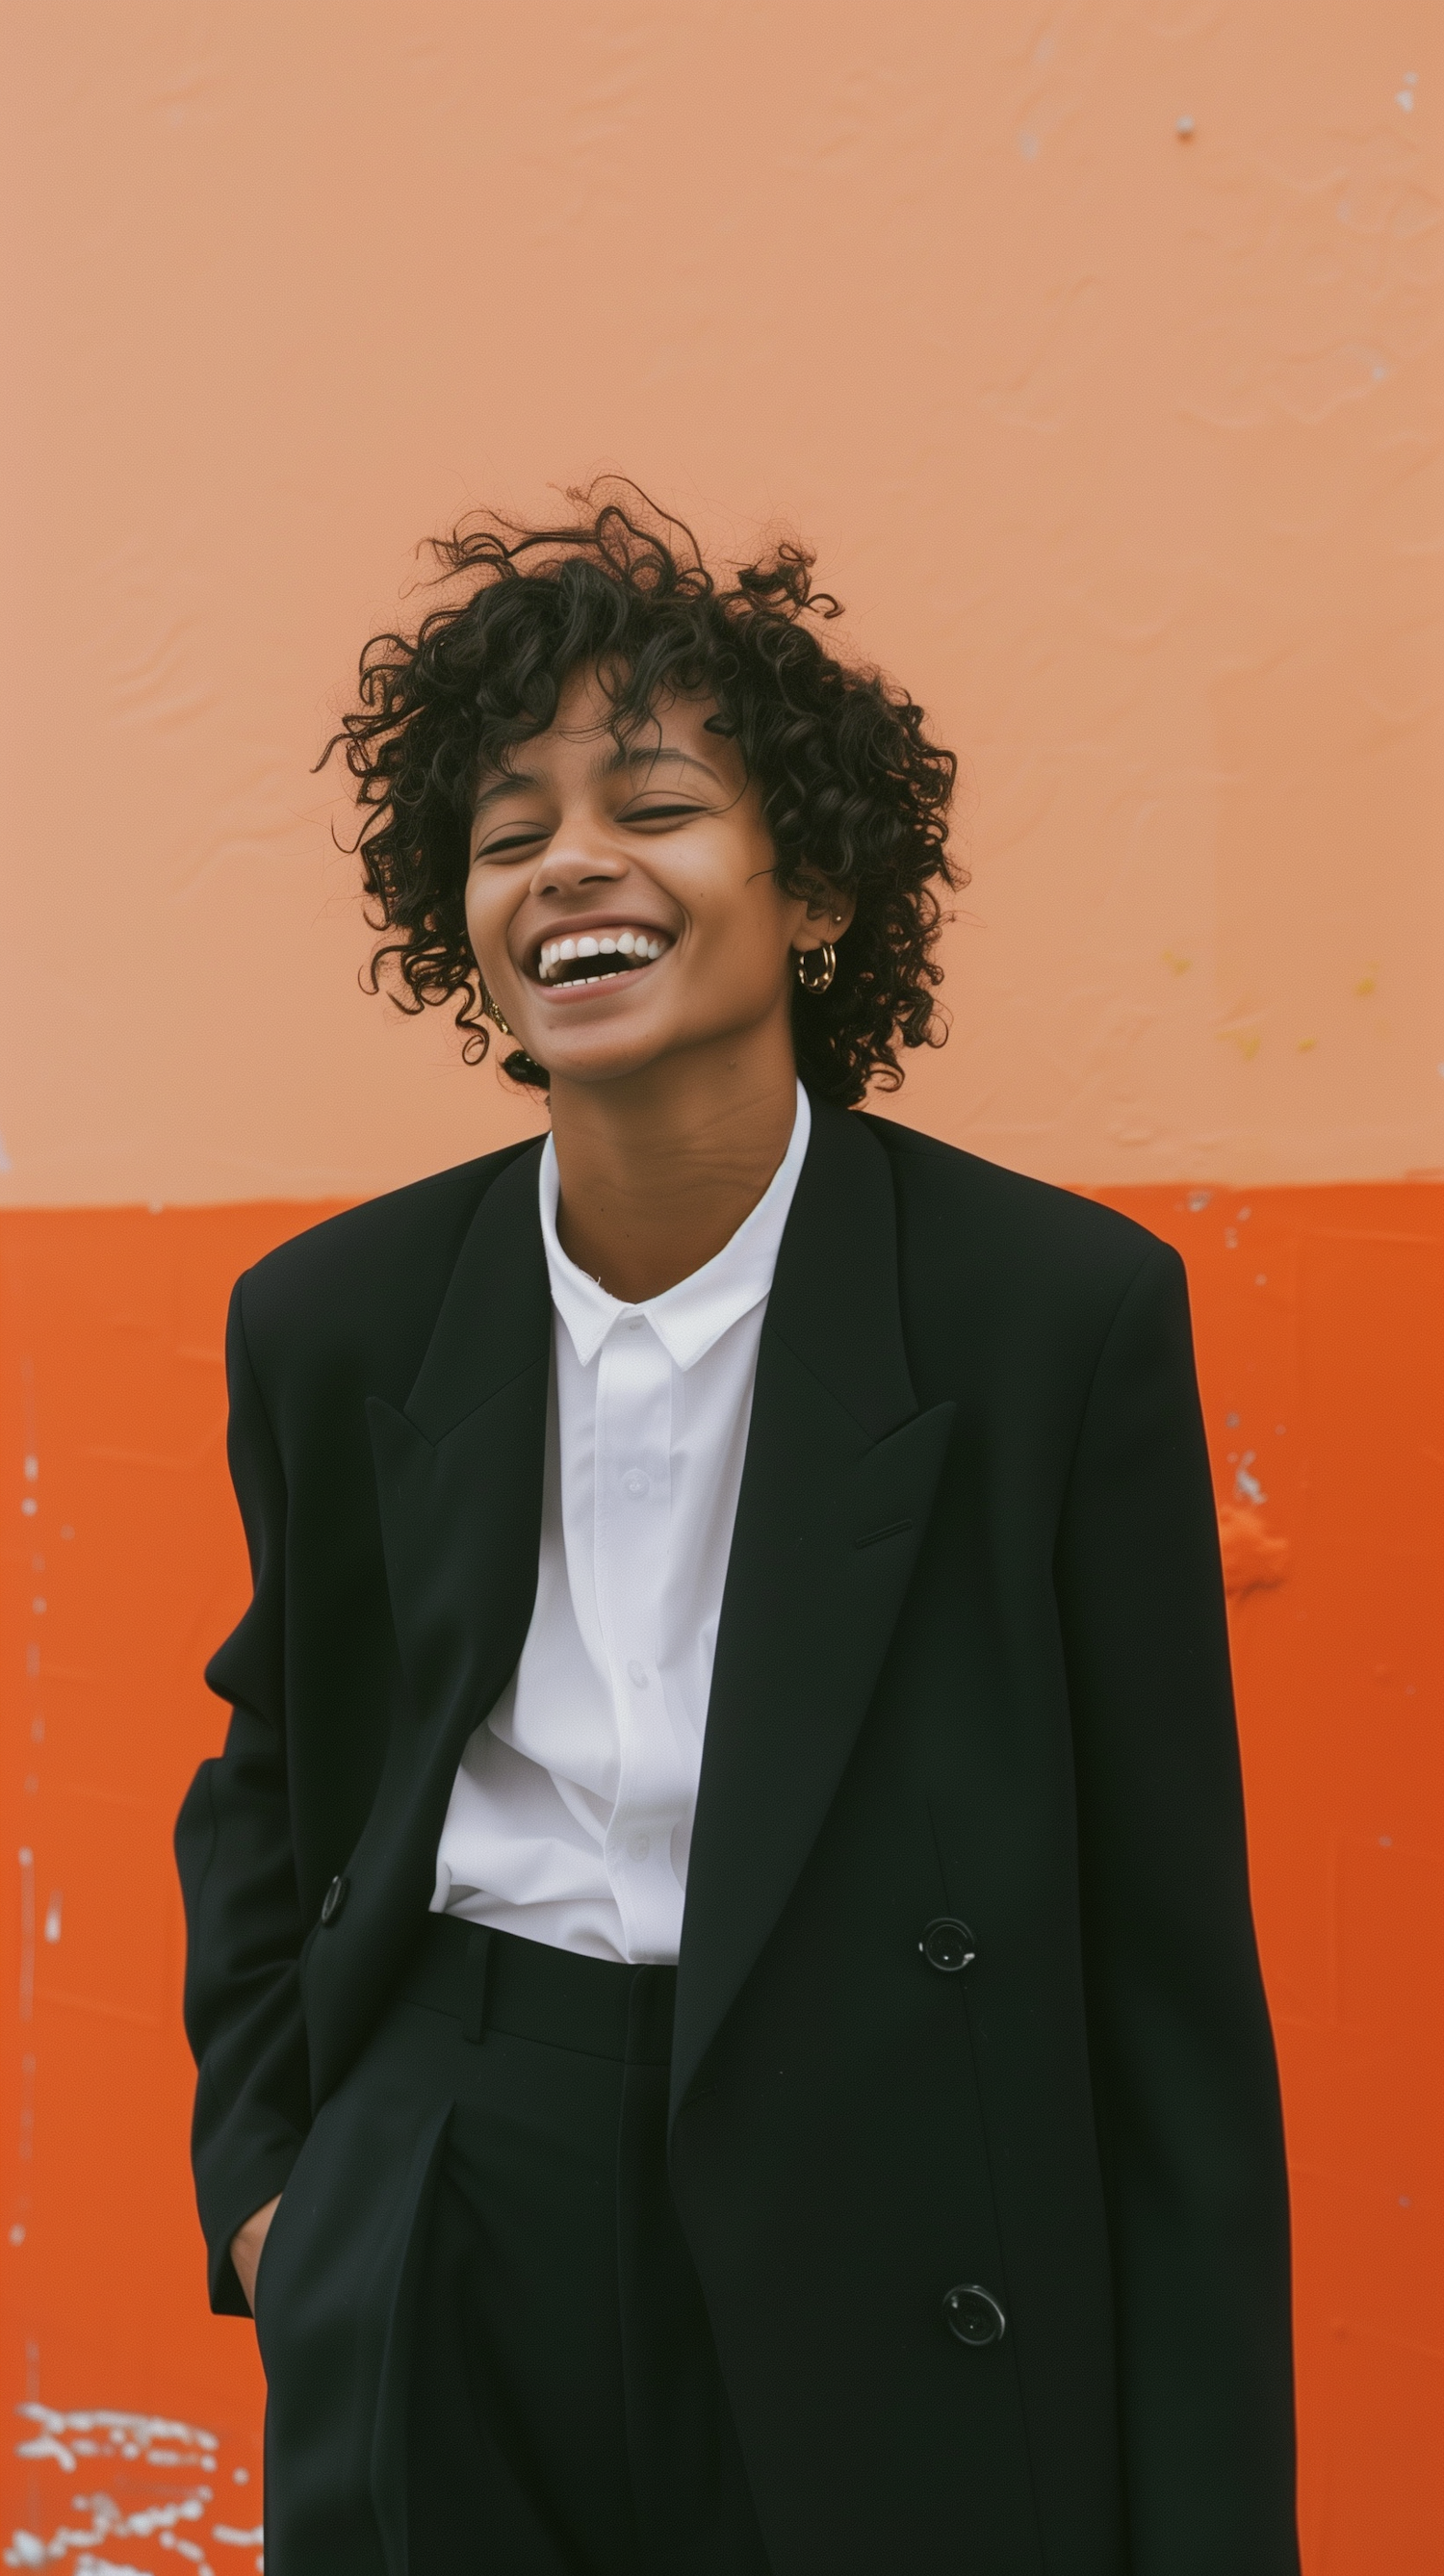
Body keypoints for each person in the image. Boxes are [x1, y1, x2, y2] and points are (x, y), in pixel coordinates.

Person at [176, 488, 1300, 2576]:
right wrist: (281, 2197)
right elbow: (267, 1781)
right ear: (471, 937)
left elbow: (1165, 1973)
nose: (572, 864)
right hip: (451, 2184)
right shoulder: (331, 1324)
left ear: (822, 893)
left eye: (657, 804)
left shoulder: (1051, 1316)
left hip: (890, 2185)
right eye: (508, 836)